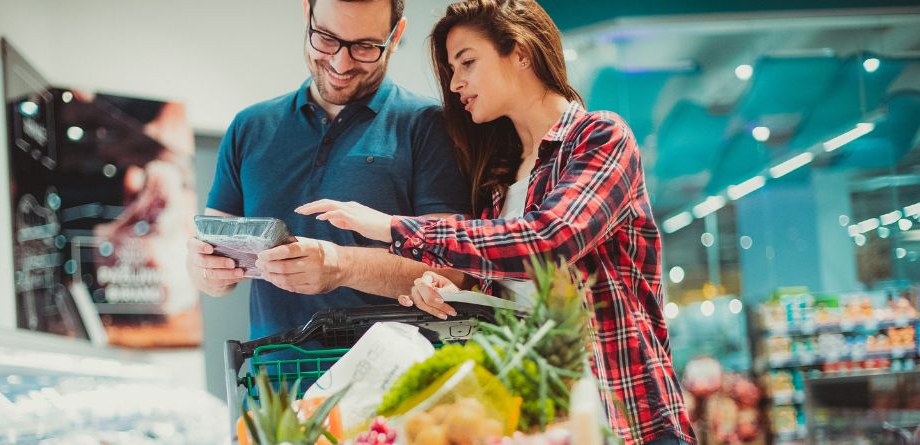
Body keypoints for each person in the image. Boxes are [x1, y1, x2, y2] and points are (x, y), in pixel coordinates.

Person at [297, 1, 696, 444]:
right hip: (542, 423)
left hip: (625, 419)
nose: (455, 83)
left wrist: (394, 228)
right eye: (451, 69)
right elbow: (509, 299)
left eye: (467, 62)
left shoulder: (600, 137)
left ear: (521, 52)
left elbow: (547, 241)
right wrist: (456, 294)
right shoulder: (497, 184)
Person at [187, 0, 471, 341]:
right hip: (273, 381)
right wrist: (204, 269)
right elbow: (212, 253)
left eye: (365, 46)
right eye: (325, 38)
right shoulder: (249, 127)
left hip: (393, 383)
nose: (340, 62)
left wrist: (340, 265)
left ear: (396, 36)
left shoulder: (429, 126)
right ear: (307, 14)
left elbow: (453, 271)